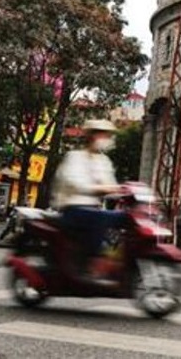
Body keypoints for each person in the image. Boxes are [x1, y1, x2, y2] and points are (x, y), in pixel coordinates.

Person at [53, 119, 127, 280]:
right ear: (92, 135)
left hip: (94, 210)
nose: (107, 138)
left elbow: (111, 186)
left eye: (108, 135)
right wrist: (101, 189)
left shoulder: (104, 161)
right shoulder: (74, 157)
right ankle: (91, 264)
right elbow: (74, 183)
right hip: (72, 209)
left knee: (127, 218)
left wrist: (124, 191)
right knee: (101, 217)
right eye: (104, 134)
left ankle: (118, 262)